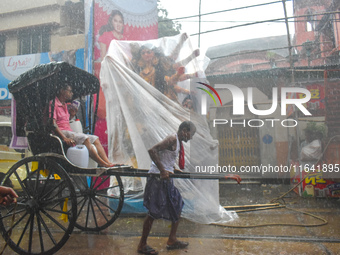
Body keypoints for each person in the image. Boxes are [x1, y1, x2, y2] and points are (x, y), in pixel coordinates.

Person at [50, 84, 114, 168]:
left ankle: (108, 162)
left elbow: (65, 121)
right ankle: (102, 163)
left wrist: (72, 115)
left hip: (68, 131)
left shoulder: (65, 105)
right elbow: (53, 122)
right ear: (62, 91)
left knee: (95, 139)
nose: (71, 93)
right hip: (61, 132)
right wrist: (64, 138)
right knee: (85, 138)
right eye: (70, 91)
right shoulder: (53, 103)